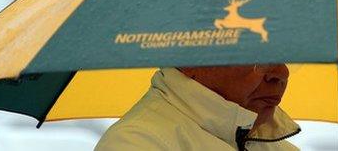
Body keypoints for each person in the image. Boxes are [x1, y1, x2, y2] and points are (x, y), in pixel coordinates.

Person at [95, 63, 301, 151]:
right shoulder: (135, 144)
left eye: (282, 52)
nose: (281, 72)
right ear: (190, 60)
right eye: (259, 56)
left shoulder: (276, 146)